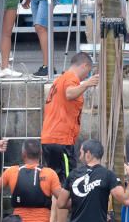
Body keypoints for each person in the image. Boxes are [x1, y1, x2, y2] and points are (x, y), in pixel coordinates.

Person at [57, 138, 129, 222]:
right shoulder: (108, 175)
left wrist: (80, 199)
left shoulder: (73, 174)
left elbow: (61, 203)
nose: (79, 155)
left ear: (88, 154)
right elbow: (127, 200)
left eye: (81, 152)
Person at [40, 52, 98, 197]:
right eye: (88, 71)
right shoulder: (71, 78)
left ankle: (55, 218)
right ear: (84, 65)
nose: (87, 75)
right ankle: (62, 219)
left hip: (49, 139)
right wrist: (87, 84)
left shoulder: (59, 79)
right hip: (61, 141)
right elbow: (69, 94)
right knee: (67, 186)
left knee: (56, 184)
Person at [0, 140, 61, 222]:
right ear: (41, 153)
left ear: (23, 153)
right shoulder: (50, 174)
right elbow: (63, 200)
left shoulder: (12, 171)